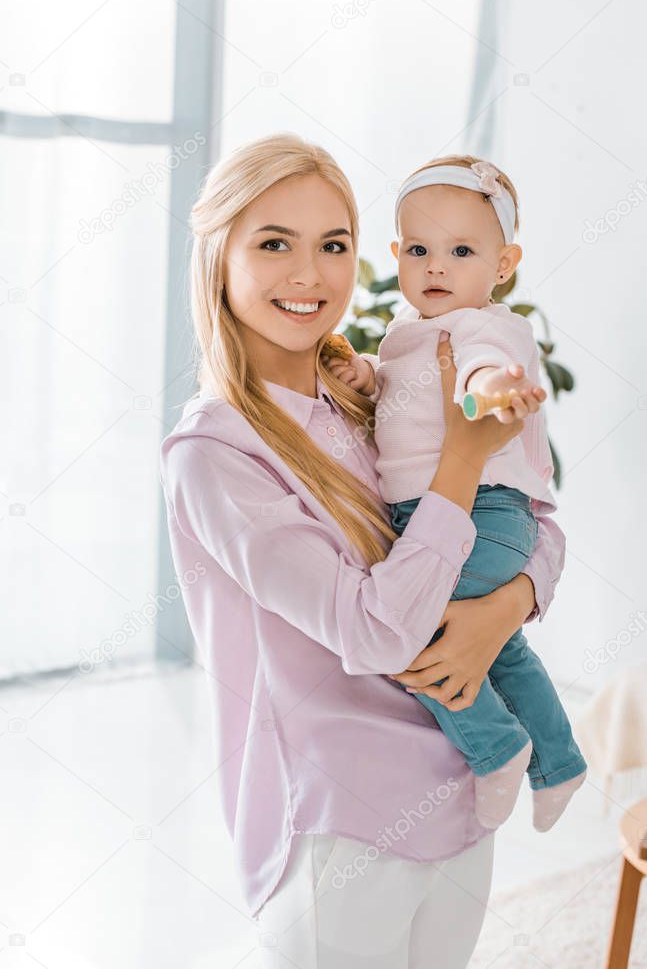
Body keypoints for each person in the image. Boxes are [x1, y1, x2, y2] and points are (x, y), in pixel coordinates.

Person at [158, 132, 565, 967]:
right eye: (274, 243)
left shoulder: (363, 394)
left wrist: (505, 609)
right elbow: (375, 632)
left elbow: (534, 516)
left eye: (332, 245)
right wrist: (459, 459)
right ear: (219, 257)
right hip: (344, 827)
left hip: (459, 788)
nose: (308, 275)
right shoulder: (216, 454)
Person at [323, 154, 587, 834]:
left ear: (503, 265)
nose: (435, 266)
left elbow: (481, 373)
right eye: (418, 249)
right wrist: (365, 372)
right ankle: (558, 762)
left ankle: (496, 748)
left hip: (482, 512)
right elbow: (401, 385)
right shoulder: (408, 332)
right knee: (503, 650)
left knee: (409, 624)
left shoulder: (487, 327)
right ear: (397, 255)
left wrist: (495, 393)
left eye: (460, 250)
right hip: (455, 514)